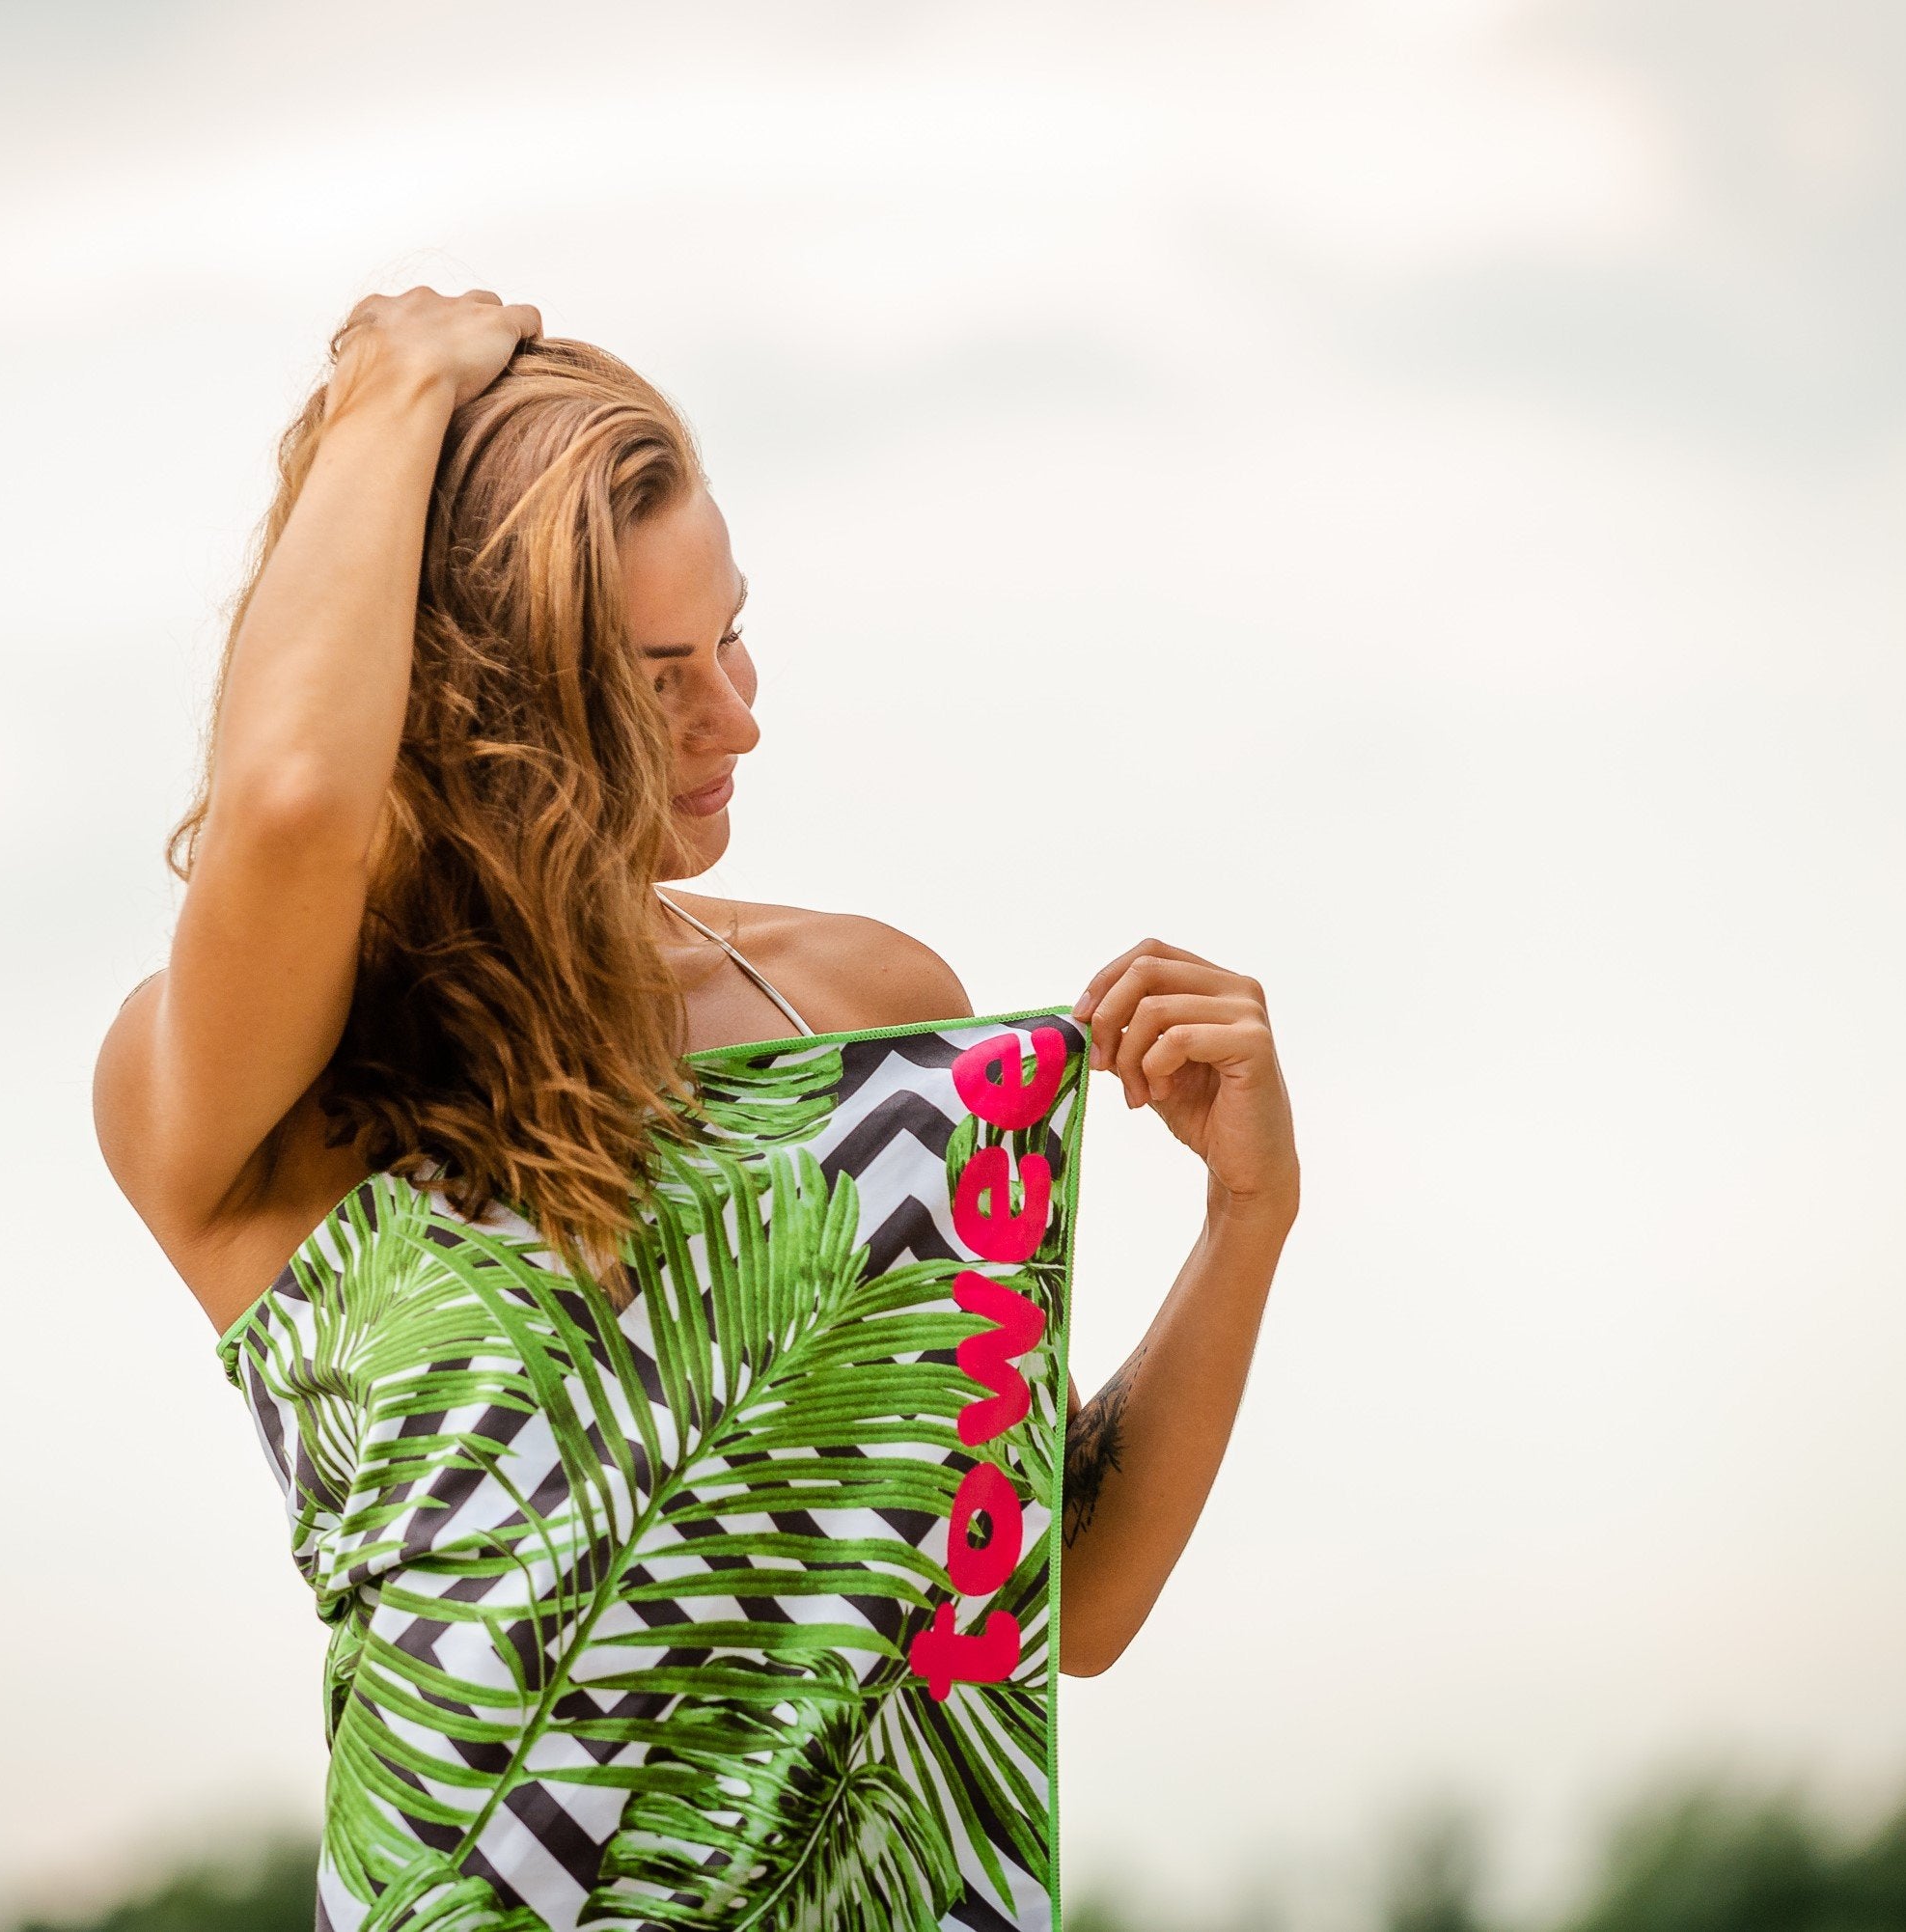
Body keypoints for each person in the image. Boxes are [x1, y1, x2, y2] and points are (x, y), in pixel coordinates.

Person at [92, 285, 1300, 1917]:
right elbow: (300, 801)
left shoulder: (874, 1013)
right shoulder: (284, 1107)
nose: (737, 713)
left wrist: (1244, 1217)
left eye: (730, 630)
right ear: (483, 702)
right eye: (653, 677)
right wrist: (388, 395)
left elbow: (1061, 1596)